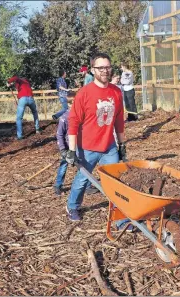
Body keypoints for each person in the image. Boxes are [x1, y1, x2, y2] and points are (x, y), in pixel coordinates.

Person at [64, 52, 130, 231]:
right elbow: (73, 121)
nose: (105, 71)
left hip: (109, 146)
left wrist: (122, 145)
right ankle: (72, 206)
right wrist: (71, 150)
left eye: (107, 67)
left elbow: (118, 121)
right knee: (82, 181)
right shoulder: (84, 93)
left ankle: (120, 219)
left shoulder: (116, 92)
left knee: (116, 182)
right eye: (100, 68)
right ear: (93, 70)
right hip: (87, 147)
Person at [54, 90, 99, 196]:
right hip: (69, 148)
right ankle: (58, 185)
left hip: (81, 146)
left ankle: (87, 187)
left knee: (85, 165)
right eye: (72, 103)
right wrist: (63, 150)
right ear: (68, 104)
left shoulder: (83, 116)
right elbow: (59, 135)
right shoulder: (64, 118)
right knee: (63, 165)